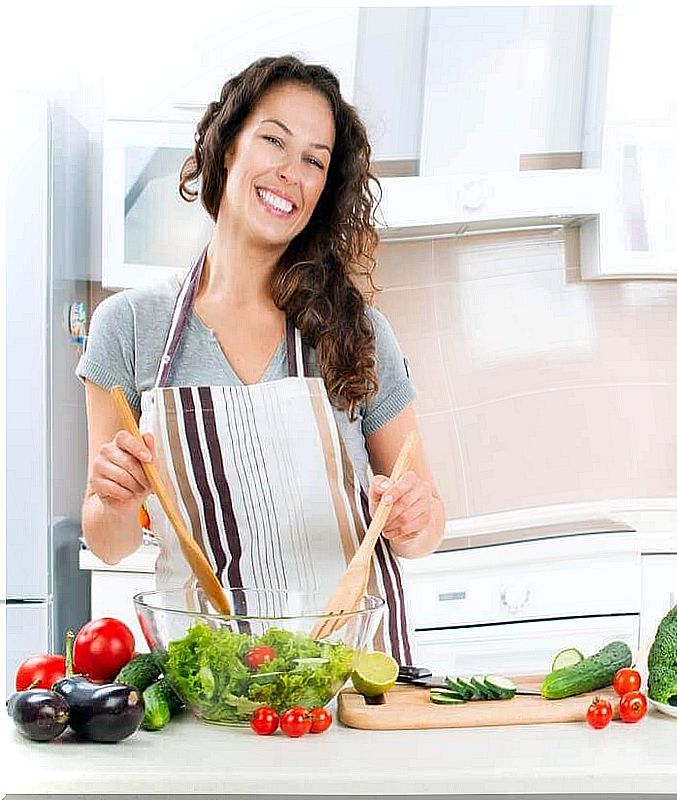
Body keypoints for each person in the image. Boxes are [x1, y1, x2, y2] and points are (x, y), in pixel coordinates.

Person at [77, 55, 445, 662]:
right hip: (212, 687)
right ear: (228, 147)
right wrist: (112, 499)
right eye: (274, 139)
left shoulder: (359, 332)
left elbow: (425, 526)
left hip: (350, 687)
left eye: (314, 160)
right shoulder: (128, 327)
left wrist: (413, 518)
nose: (289, 173)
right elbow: (110, 542)